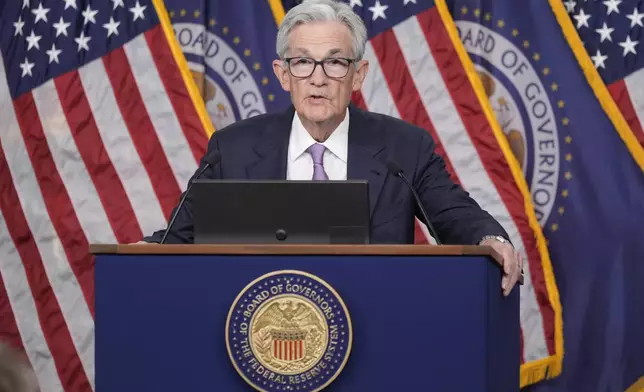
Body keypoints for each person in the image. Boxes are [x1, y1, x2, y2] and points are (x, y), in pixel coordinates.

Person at [142, 0, 523, 296]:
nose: (318, 79)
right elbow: (180, 237)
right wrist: (136, 254)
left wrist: (492, 238)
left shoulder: (403, 148)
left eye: (335, 63)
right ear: (283, 75)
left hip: (374, 328)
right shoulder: (234, 148)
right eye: (303, 63)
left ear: (358, 75)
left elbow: (456, 216)